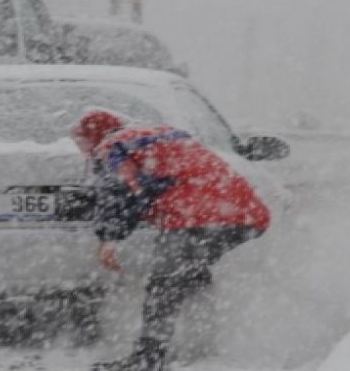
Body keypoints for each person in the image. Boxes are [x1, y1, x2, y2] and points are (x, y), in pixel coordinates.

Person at [70, 110, 271, 371]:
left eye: (82, 142)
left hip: (198, 214)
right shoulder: (155, 135)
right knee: (190, 273)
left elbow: (120, 192)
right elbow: (160, 180)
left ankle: (148, 358)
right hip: (243, 213)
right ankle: (203, 344)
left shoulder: (112, 146)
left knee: (164, 284)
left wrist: (110, 239)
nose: (83, 149)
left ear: (94, 136)